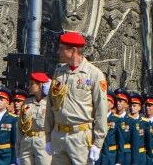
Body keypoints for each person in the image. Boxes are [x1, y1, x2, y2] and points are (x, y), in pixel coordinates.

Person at [45, 32, 109, 165]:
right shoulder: (59, 73)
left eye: (62, 48)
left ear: (73, 50)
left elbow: (101, 110)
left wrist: (98, 142)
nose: (58, 52)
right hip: (58, 134)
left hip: (80, 137)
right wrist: (48, 136)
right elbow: (50, 106)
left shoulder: (94, 74)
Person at [18, 72, 50, 165]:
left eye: (32, 84)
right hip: (26, 140)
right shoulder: (26, 103)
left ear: (40, 85)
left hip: (43, 140)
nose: (29, 86)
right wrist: (18, 150)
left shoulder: (49, 103)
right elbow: (20, 128)